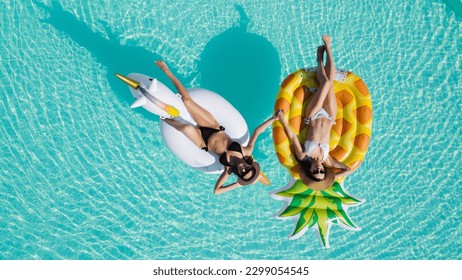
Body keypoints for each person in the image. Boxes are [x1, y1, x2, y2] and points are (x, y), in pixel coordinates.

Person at [155, 60, 280, 194]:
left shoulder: (228, 169)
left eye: (243, 173)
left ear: (239, 174)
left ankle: (164, 117)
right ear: (250, 165)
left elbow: (217, 191)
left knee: (186, 129)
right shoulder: (246, 151)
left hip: (203, 142)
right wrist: (274, 118)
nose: (244, 169)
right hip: (213, 126)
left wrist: (238, 185)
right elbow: (257, 131)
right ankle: (166, 71)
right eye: (248, 169)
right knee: (186, 100)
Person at [277, 35, 355, 190]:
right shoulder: (328, 161)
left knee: (325, 82)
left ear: (310, 170)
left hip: (312, 115)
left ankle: (321, 56)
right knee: (329, 84)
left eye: (315, 171)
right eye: (321, 171)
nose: (319, 168)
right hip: (330, 116)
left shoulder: (304, 155)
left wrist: (282, 120)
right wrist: (332, 177)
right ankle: (327, 51)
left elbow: (293, 137)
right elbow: (348, 169)